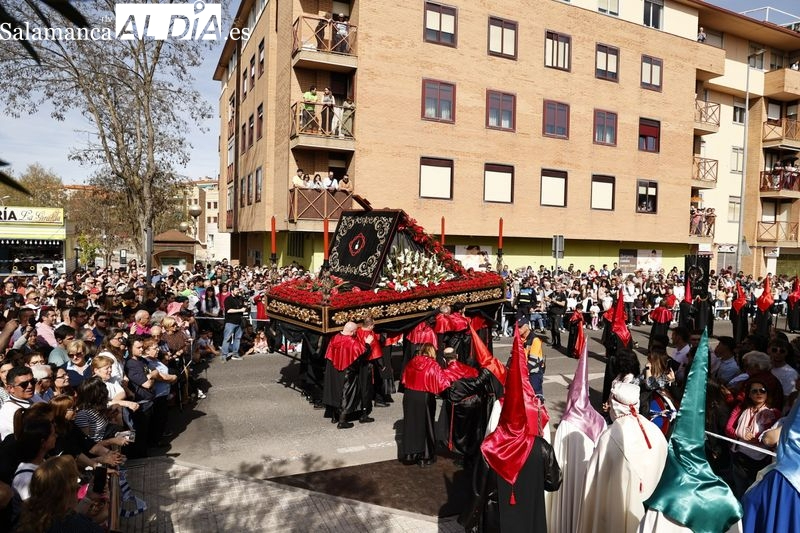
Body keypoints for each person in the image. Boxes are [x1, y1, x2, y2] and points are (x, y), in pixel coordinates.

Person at [578, 381, 668, 533]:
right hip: (652, 512)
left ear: (616, 405)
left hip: (617, 513)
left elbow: (594, 483)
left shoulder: (610, 436)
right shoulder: (656, 431)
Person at [15, 455, 106, 533]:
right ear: (65, 491)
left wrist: (88, 498)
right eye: (74, 482)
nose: (78, 487)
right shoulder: (73, 525)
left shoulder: (29, 518)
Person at [725, 377, 781, 498]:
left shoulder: (773, 413)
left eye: (762, 390)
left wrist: (756, 439)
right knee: (740, 490)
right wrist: (741, 435)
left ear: (767, 393)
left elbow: (770, 437)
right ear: (749, 394)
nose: (759, 393)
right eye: (754, 391)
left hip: (760, 461)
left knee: (754, 493)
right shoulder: (740, 408)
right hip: (739, 457)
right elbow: (728, 428)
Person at [400, 342, 452, 466]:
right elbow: (443, 383)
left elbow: (404, 379)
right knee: (426, 425)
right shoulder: (433, 365)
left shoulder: (412, 362)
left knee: (411, 424)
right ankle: (425, 456)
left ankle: (410, 454)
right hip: (424, 396)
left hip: (409, 395)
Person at [322, 322, 371, 429]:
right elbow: (363, 353)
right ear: (353, 332)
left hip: (334, 371)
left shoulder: (334, 338)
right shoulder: (352, 342)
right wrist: (367, 343)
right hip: (348, 373)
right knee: (346, 395)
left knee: (335, 391)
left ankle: (335, 416)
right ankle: (342, 421)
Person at [0, 366, 35, 439]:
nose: (30, 386)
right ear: (10, 388)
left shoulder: (35, 397)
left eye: (32, 382)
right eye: (24, 384)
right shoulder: (8, 411)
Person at [221, 285, 246, 362]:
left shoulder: (240, 298)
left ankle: (235, 353)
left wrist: (245, 307)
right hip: (230, 322)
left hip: (239, 322)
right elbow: (228, 310)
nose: (238, 291)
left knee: (237, 338)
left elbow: (244, 307)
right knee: (227, 338)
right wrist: (240, 310)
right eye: (236, 290)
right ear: (231, 291)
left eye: (238, 290)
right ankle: (224, 355)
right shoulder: (228, 299)